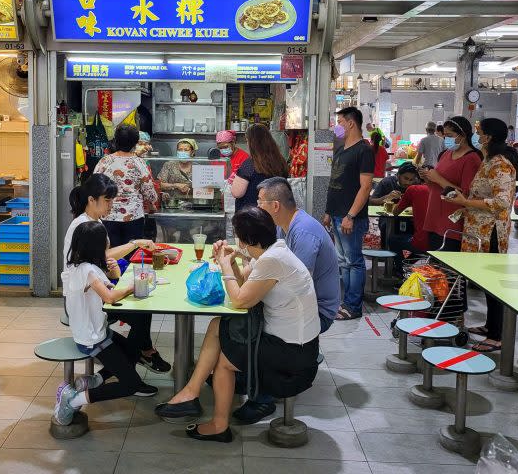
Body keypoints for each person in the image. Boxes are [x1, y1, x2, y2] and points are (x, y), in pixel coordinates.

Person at [154, 207, 320, 443]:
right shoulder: (275, 251)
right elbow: (245, 288)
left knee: (223, 362)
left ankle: (216, 421)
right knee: (218, 325)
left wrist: (224, 265)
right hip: (295, 343)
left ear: (246, 239)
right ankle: (191, 393)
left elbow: (240, 300)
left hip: (293, 353)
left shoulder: (272, 260)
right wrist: (232, 261)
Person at [218, 177, 339, 425]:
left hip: (316, 313)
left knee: (240, 322)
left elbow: (280, 278)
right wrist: (243, 257)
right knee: (227, 323)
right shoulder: (285, 228)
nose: (257, 206)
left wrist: (231, 267)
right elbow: (268, 269)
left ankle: (261, 395)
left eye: (260, 201)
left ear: (274, 205)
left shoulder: (302, 232)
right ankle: (237, 378)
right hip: (296, 312)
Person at [53, 221, 159, 426]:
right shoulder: (88, 271)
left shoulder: (81, 266)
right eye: (106, 241)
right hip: (93, 339)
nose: (109, 244)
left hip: (97, 332)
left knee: (133, 351)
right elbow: (110, 297)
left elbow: (109, 286)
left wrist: (113, 274)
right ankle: (73, 400)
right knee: (131, 384)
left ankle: (95, 380)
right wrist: (134, 286)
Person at [64, 175, 169, 372]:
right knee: (140, 314)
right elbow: (101, 256)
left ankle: (137, 355)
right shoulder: (81, 225)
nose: (111, 205)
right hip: (85, 296)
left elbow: (102, 260)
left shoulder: (95, 220)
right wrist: (135, 243)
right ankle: (139, 356)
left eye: (112, 200)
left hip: (98, 287)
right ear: (91, 200)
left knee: (142, 310)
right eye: (107, 200)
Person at [442, 118, 518, 353]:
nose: (476, 136)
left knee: (492, 283)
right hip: (477, 229)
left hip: (491, 233)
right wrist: (463, 201)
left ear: (488, 137)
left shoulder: (501, 165)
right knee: (484, 282)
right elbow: (480, 194)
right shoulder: (488, 161)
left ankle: (497, 336)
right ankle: (490, 326)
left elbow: (502, 203)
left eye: (479, 132)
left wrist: (465, 201)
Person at [324, 106, 374, 320]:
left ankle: (353, 306)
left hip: (350, 217)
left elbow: (365, 187)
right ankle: (345, 302)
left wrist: (351, 215)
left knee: (354, 261)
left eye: (340, 122)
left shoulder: (364, 150)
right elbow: (334, 182)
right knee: (343, 261)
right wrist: (328, 211)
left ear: (351, 123)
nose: (338, 127)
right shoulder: (341, 150)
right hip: (336, 214)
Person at [418, 116, 482, 252]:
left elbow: (466, 196)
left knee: (446, 268)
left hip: (452, 222)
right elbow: (436, 187)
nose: (446, 139)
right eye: (445, 135)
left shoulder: (471, 159)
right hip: (434, 217)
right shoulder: (447, 154)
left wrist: (438, 179)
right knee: (434, 267)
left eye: (449, 135)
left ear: (462, 135)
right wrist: (428, 179)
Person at [232, 124, 288, 212]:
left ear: (252, 142)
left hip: (251, 217)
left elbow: (237, 193)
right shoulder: (280, 161)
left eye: (247, 140)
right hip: (274, 214)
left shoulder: (250, 164)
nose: (247, 144)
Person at [389, 183, 431, 277]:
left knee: (393, 240)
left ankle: (401, 271)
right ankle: (409, 266)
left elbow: (395, 212)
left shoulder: (414, 189)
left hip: (422, 242)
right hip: (444, 243)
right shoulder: (448, 190)